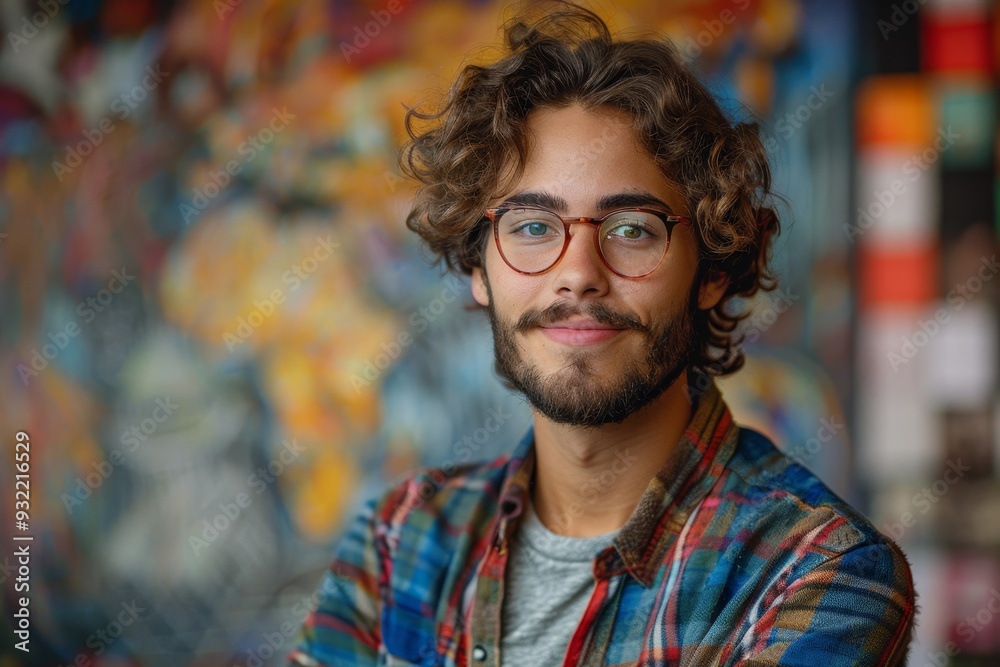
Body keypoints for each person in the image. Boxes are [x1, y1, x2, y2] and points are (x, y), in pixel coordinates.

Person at [288, 3, 916, 665]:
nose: (578, 276)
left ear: (710, 270)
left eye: (632, 230)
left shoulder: (823, 571)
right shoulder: (398, 544)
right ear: (478, 266)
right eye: (532, 227)